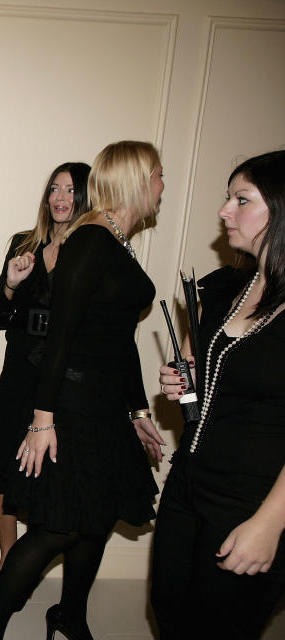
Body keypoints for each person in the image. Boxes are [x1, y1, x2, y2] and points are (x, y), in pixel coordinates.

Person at [0, 140, 166, 640]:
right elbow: (57, 333)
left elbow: (119, 339)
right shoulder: (92, 241)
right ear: (137, 180)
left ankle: (69, 615)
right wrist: (43, 420)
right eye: (158, 175)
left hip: (99, 405)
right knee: (59, 524)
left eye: (68, 189)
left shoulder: (111, 242)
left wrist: (138, 408)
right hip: (65, 401)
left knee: (95, 518)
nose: (164, 185)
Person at [153, 149, 285, 639]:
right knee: (169, 613)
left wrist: (270, 523)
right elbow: (223, 371)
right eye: (228, 197)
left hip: (253, 498)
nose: (224, 211)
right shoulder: (233, 285)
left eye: (241, 199)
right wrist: (186, 375)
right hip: (190, 479)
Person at [0, 162, 90, 596]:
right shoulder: (24, 243)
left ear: (85, 198)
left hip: (63, 380)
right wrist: (10, 283)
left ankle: (29, 563)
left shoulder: (92, 250)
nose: (60, 197)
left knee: (50, 474)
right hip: (18, 373)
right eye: (54, 188)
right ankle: (9, 559)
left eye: (70, 189)